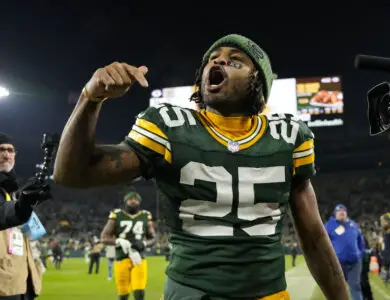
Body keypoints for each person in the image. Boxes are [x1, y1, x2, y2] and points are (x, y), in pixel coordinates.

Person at [54, 33, 348, 299]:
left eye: (235, 61)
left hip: (267, 294)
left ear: (259, 82)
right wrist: (90, 98)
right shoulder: (169, 126)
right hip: (192, 294)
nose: (218, 61)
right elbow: (73, 173)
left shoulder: (288, 136)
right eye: (212, 59)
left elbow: (313, 235)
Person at [0, 133, 48, 300]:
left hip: (18, 279)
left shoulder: (10, 191)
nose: (6, 154)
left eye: (10, 150)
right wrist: (21, 206)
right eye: (1, 150)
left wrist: (32, 258)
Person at [100, 192, 155, 300]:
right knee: (123, 292)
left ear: (139, 202)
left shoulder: (145, 215)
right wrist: (118, 241)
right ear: (126, 201)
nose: (133, 201)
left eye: (136, 199)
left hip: (139, 258)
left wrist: (144, 243)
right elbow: (104, 237)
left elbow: (153, 238)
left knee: (139, 290)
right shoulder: (117, 215)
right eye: (130, 199)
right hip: (122, 257)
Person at [325, 204, 365, 300]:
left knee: (355, 286)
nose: (342, 212)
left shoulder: (353, 224)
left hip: (354, 263)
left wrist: (361, 253)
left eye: (343, 211)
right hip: (337, 263)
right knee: (337, 289)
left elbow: (361, 240)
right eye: (339, 211)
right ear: (335, 214)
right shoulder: (329, 226)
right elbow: (323, 243)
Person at [360, 235, 373, 300]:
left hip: (363, 264)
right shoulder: (366, 249)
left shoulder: (364, 249)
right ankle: (368, 297)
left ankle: (367, 297)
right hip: (363, 265)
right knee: (363, 282)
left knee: (363, 282)